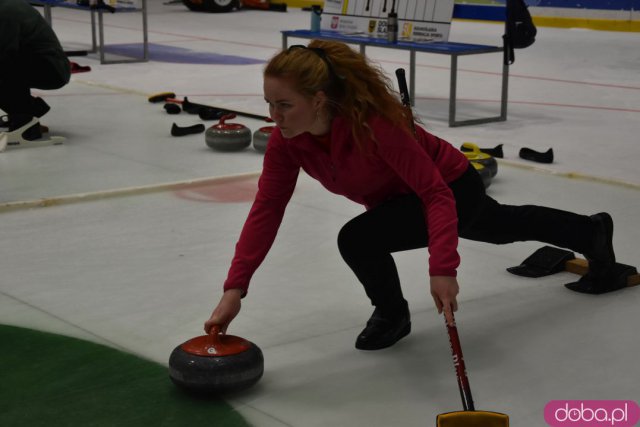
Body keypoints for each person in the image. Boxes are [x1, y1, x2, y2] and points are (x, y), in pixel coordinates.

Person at [205, 40, 618, 351]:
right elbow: (267, 208)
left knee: (362, 237)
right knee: (499, 226)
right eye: (268, 105)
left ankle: (391, 315)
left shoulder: (375, 126)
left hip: (452, 185)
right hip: (400, 201)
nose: (274, 118)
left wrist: (443, 268)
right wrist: (235, 288)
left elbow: (436, 195)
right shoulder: (288, 141)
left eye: (284, 105)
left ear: (318, 100)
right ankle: (591, 231)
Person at [0, 0, 71, 149]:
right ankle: (27, 112)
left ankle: (25, 120)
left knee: (4, 68)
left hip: (52, 69)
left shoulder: (6, 12)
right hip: (41, 62)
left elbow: (6, 54)